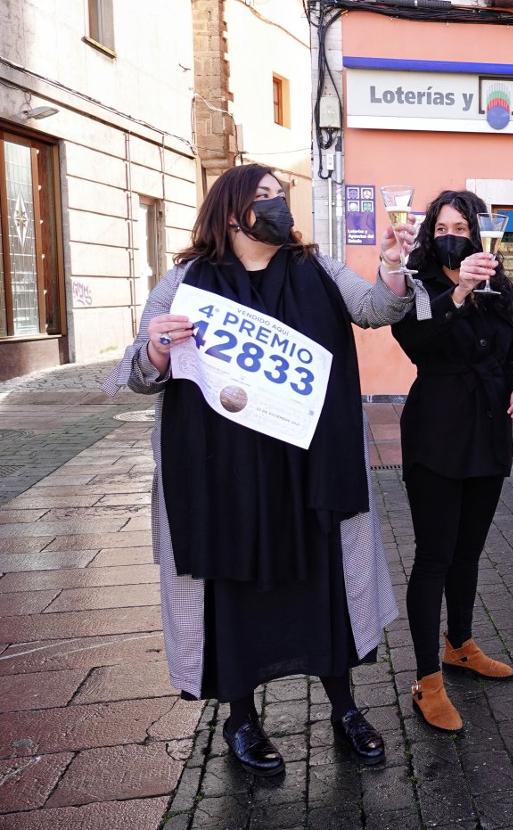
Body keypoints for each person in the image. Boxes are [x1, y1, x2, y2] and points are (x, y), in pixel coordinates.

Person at [103, 164, 430, 777]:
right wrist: (153, 349)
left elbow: (378, 309)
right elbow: (137, 375)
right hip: (220, 478)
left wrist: (390, 266)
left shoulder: (316, 268)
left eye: (283, 197)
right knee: (231, 594)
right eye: (265, 199)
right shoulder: (186, 281)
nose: (280, 207)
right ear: (232, 213)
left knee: (323, 585)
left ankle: (345, 709)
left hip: (308, 470)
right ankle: (241, 719)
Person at [391, 190, 513, 733]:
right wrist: (461, 289)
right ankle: (427, 679)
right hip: (436, 436)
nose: (454, 235)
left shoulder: (502, 289)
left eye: (463, 227)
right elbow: (419, 344)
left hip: (489, 433)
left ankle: (460, 645)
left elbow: (510, 348)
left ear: (477, 233)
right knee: (434, 557)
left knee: (469, 552)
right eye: (443, 225)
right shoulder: (417, 285)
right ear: (430, 232)